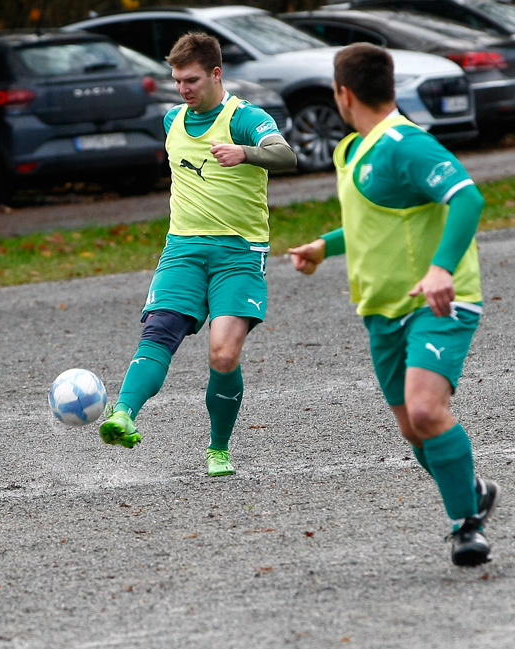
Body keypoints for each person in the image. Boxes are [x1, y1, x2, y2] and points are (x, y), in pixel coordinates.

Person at [288, 43, 498, 566]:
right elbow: (372, 222)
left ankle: (465, 526)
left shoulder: (406, 143)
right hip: (382, 310)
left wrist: (441, 268)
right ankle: (469, 493)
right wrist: (324, 246)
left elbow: (468, 197)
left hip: (440, 302)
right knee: (412, 428)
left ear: (343, 92)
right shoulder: (355, 150)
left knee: (427, 411)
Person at [99, 32, 296, 477]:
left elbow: (286, 156)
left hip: (240, 253)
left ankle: (219, 448)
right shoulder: (171, 120)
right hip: (183, 249)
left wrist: (245, 153)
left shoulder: (245, 117)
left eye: (191, 80)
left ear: (215, 74)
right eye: (177, 81)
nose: (183, 89)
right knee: (159, 329)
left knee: (223, 355)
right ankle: (124, 413)